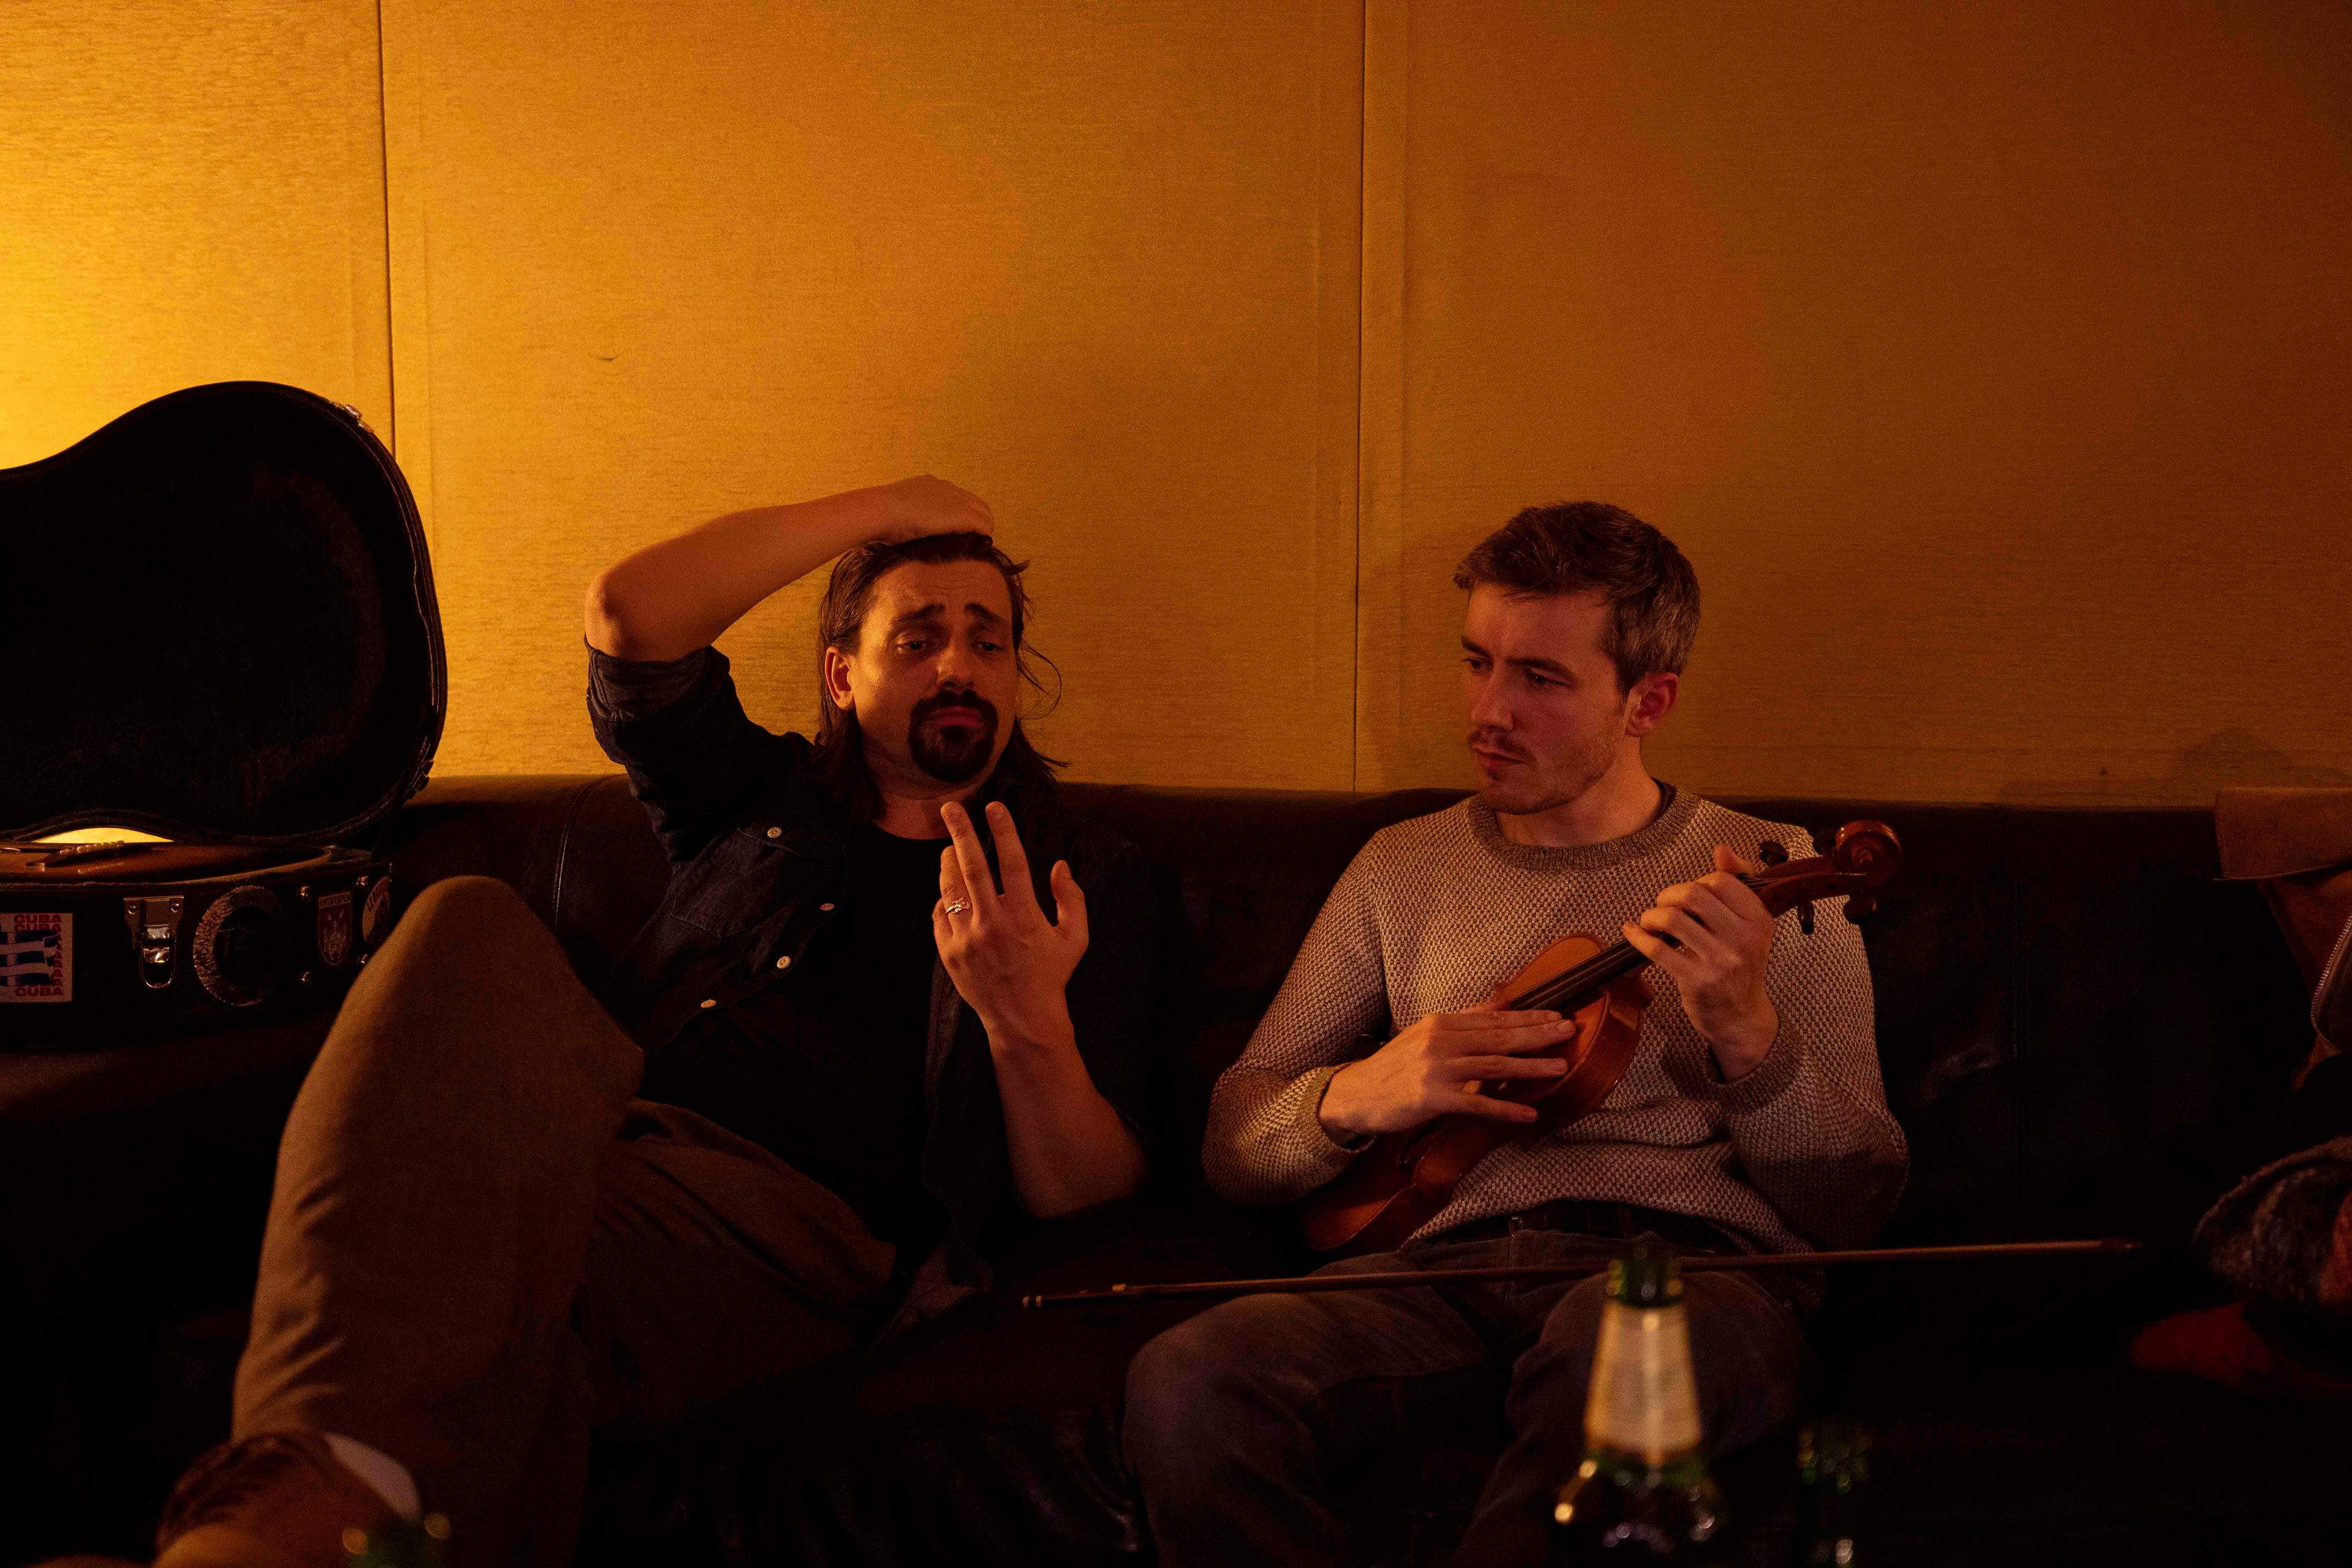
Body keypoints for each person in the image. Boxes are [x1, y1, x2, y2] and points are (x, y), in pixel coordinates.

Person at [51, 477, 1162, 1568]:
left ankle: (265, 1537)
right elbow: (633, 615)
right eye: (917, 638)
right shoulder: (759, 803)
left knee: (470, 1280)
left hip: (801, 1232)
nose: (960, 665)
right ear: (841, 675)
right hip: (597, 1127)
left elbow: (1087, 1191)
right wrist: (893, 511)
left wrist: (1024, 1020)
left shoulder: (1084, 880)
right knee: (466, 918)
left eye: (988, 642)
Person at [1121, 502, 1908, 1567]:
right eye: (1477, 661)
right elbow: (1235, 1144)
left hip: (1682, 1275)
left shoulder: (1775, 873)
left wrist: (1746, 1029)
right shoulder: (1402, 867)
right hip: (1435, 1276)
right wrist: (1361, 1094)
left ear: (1648, 701)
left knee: (1609, 1359)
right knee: (1188, 1380)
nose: (1489, 711)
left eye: (1540, 678)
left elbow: (1855, 1206)